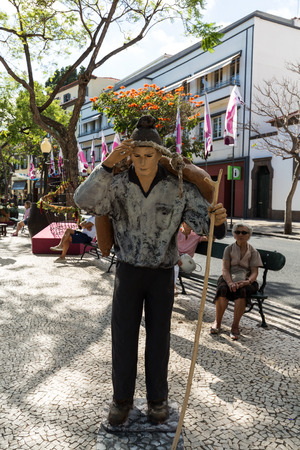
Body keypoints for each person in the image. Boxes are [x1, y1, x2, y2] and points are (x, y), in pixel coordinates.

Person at [74, 115, 227, 427]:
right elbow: (83, 200)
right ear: (130, 155)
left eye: (149, 156)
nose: (143, 163)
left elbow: (207, 222)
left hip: (161, 272)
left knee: (159, 338)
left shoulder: (178, 188)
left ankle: (158, 399)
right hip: (128, 271)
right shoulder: (115, 185)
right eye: (137, 156)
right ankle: (121, 400)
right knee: (123, 337)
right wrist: (105, 165)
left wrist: (220, 218)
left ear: (160, 156)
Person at [211, 221, 263, 340]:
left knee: (241, 293)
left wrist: (247, 282)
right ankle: (217, 322)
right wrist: (229, 282)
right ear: (233, 234)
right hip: (229, 276)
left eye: (244, 232)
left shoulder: (253, 252)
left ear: (249, 235)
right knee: (222, 289)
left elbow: (255, 272)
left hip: (246, 280)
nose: (240, 234)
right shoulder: (228, 249)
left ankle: (235, 326)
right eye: (237, 232)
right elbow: (225, 268)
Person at [174, 222, 208, 295]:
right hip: (175, 258)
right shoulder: (176, 234)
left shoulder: (195, 235)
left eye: (192, 222)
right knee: (173, 264)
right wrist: (177, 258)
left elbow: (211, 238)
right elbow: (170, 247)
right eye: (187, 223)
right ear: (182, 224)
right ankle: (172, 286)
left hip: (186, 263)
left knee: (174, 265)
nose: (190, 224)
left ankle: (173, 287)